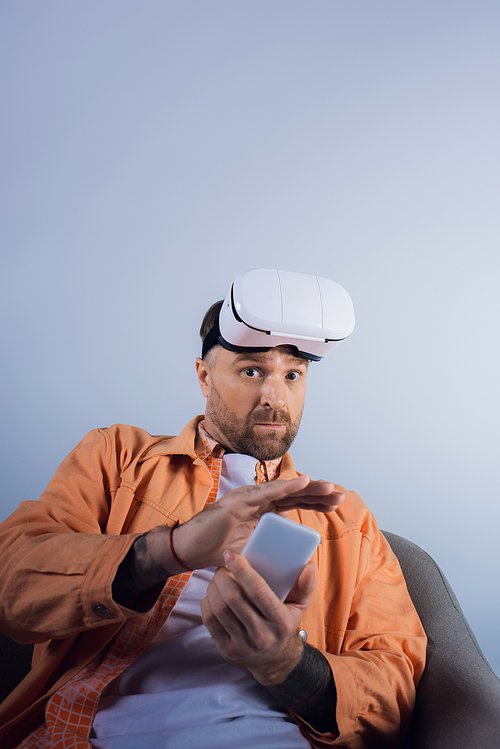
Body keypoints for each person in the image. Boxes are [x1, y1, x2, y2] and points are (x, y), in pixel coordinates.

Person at [0, 270, 426, 749]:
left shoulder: (348, 520)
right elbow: (12, 585)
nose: (275, 397)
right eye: (252, 370)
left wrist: (285, 664)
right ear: (204, 376)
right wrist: (168, 552)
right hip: (95, 735)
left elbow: (394, 689)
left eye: (293, 375)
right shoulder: (116, 458)